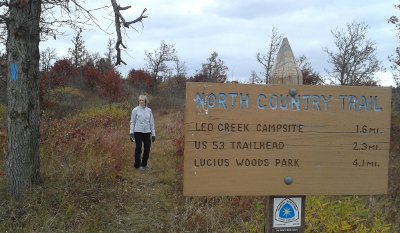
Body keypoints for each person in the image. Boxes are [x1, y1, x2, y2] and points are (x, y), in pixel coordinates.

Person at [129, 95, 156, 170]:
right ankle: (137, 165)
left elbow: (151, 123)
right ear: (138, 101)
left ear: (145, 101)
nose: (141, 101)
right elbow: (132, 122)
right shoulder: (135, 110)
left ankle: (144, 164)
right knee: (138, 148)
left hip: (147, 132)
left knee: (147, 148)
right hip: (138, 132)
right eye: (140, 100)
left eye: (142, 100)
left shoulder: (149, 110)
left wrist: (153, 134)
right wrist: (131, 133)